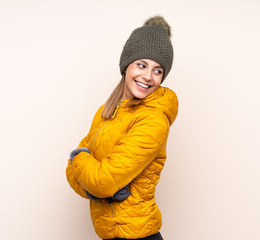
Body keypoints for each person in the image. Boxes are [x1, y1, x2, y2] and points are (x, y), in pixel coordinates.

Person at [66, 15, 178, 240]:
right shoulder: (106, 111)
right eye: (142, 65)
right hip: (112, 234)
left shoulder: (153, 120)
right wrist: (92, 184)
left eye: (158, 71)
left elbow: (102, 181)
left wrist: (77, 157)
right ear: (127, 65)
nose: (148, 77)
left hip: (137, 236)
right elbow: (72, 176)